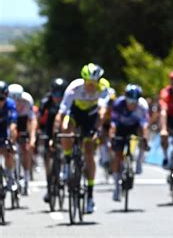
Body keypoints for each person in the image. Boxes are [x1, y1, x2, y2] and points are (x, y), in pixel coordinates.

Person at [54, 63, 111, 213]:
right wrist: (56, 130)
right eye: (89, 83)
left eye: (94, 83)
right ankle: (67, 164)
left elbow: (102, 112)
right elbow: (62, 111)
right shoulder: (74, 88)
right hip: (75, 114)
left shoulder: (103, 89)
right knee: (66, 128)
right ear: (84, 80)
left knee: (89, 151)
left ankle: (90, 197)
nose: (91, 86)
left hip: (91, 118)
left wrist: (97, 131)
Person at [109, 84, 149, 201]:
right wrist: (112, 135)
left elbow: (144, 124)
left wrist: (145, 138)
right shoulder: (118, 104)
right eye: (130, 101)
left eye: (134, 102)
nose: (132, 104)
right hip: (121, 127)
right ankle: (116, 187)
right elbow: (113, 123)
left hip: (135, 126)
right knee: (118, 155)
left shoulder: (142, 106)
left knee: (143, 136)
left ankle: (139, 163)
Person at [38, 77, 68, 202]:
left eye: (61, 94)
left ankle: (65, 170)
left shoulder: (68, 101)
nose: (58, 97)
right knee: (48, 157)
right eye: (55, 94)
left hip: (65, 129)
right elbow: (38, 118)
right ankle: (49, 186)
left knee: (65, 152)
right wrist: (39, 132)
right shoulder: (46, 101)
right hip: (49, 130)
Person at [8, 83, 37, 195]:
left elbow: (32, 120)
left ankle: (26, 179)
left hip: (24, 121)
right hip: (11, 121)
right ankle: (11, 172)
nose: (17, 103)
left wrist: (32, 138)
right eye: (13, 100)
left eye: (18, 100)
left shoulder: (27, 99)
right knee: (9, 146)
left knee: (26, 149)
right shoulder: (7, 104)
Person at [0, 81, 18, 191]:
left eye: (2, 99)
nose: (0, 102)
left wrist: (11, 141)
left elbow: (13, 125)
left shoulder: (10, 104)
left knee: (9, 151)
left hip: (5, 128)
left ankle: (10, 176)